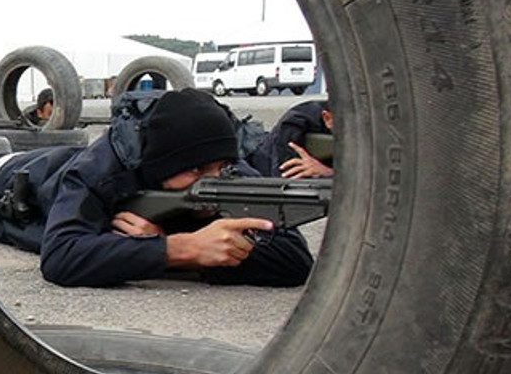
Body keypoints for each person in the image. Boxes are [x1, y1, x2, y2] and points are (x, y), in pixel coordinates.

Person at [39, 89, 314, 288]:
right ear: (163, 167)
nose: (214, 179)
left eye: (223, 166)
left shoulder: (229, 172)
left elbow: (295, 260)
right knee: (11, 175)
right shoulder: (103, 169)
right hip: (35, 179)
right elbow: (61, 255)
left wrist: (187, 253)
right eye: (196, 170)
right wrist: (179, 248)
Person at [247, 99, 335, 179]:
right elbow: (285, 178)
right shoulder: (296, 124)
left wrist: (329, 172)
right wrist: (328, 173)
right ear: (327, 119)